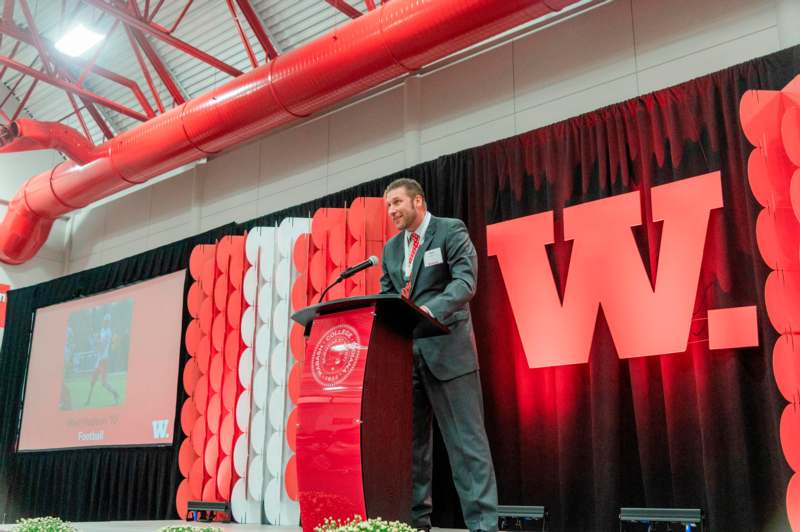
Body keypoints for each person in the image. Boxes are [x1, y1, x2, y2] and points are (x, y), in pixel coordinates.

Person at [380, 178, 498, 532]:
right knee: (413, 451)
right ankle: (417, 524)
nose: (392, 211)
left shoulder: (450, 231)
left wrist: (430, 310)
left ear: (419, 201)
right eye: (388, 206)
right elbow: (388, 299)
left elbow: (464, 282)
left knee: (467, 447)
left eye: (398, 202)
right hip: (407, 359)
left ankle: (484, 526)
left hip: (449, 354)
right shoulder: (390, 250)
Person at [85, 313, 120, 406]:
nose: (104, 322)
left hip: (103, 360)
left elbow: (101, 346)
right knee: (92, 381)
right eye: (104, 321)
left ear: (108, 322)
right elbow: (99, 343)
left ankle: (115, 394)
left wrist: (94, 342)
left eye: (106, 321)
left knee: (103, 383)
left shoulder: (108, 333)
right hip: (99, 360)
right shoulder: (103, 330)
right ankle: (88, 400)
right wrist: (95, 339)